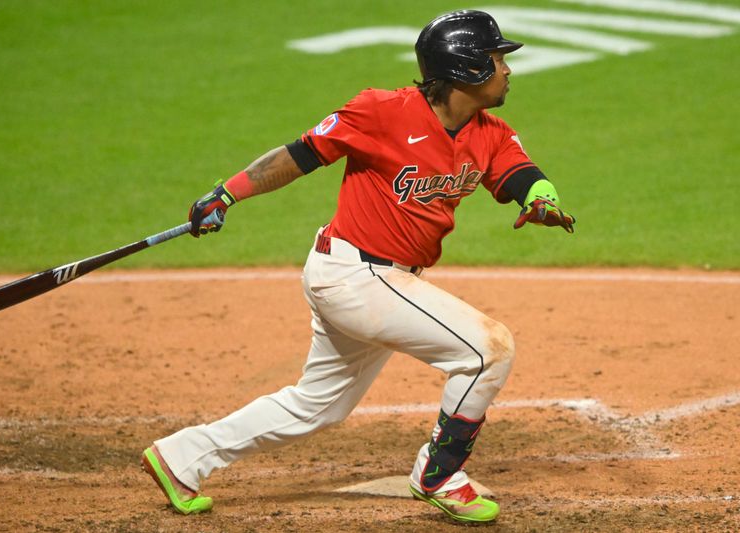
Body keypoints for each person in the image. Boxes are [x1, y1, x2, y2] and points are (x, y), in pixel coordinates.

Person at [141, 9, 574, 524]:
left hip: (383, 280)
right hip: (353, 276)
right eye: (498, 58)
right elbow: (299, 155)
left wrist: (542, 200)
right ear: (467, 68)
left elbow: (523, 175)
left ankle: (182, 456)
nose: (508, 69)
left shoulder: (490, 132)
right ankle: (438, 474)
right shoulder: (380, 112)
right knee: (488, 349)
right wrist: (227, 194)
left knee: (318, 405)